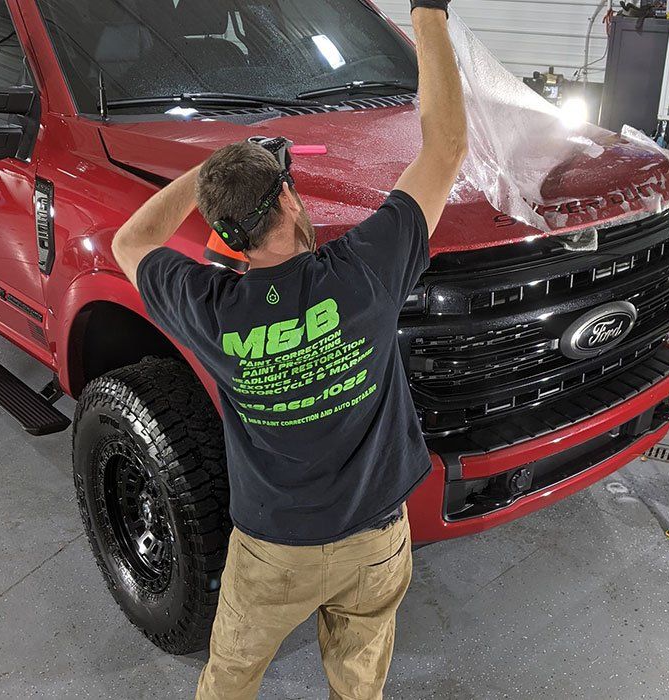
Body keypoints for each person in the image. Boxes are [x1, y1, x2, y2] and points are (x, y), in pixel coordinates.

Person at [111, 1, 466, 697]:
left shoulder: (208, 309)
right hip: (375, 540)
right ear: (292, 203)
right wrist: (428, 14)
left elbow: (132, 243)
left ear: (228, 234)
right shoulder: (366, 270)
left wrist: (208, 174)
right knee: (358, 681)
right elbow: (446, 146)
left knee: (230, 679)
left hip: (271, 552)